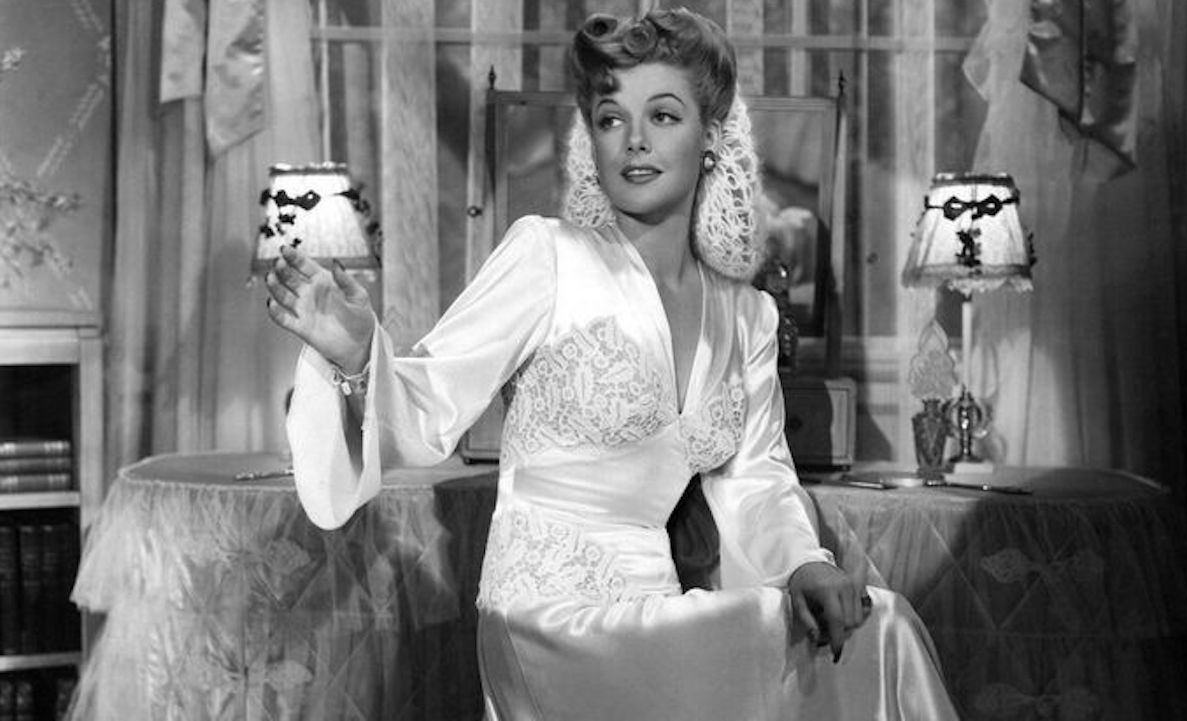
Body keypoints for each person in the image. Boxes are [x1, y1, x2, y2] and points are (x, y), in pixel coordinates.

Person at [267, 8, 958, 720]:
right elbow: (430, 400)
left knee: (879, 631)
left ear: (711, 136)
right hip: (542, 617)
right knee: (858, 634)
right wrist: (357, 353)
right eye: (609, 118)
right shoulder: (547, 255)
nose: (634, 141)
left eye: (663, 115)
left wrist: (806, 562)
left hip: (656, 610)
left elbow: (756, 479)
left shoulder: (747, 315)